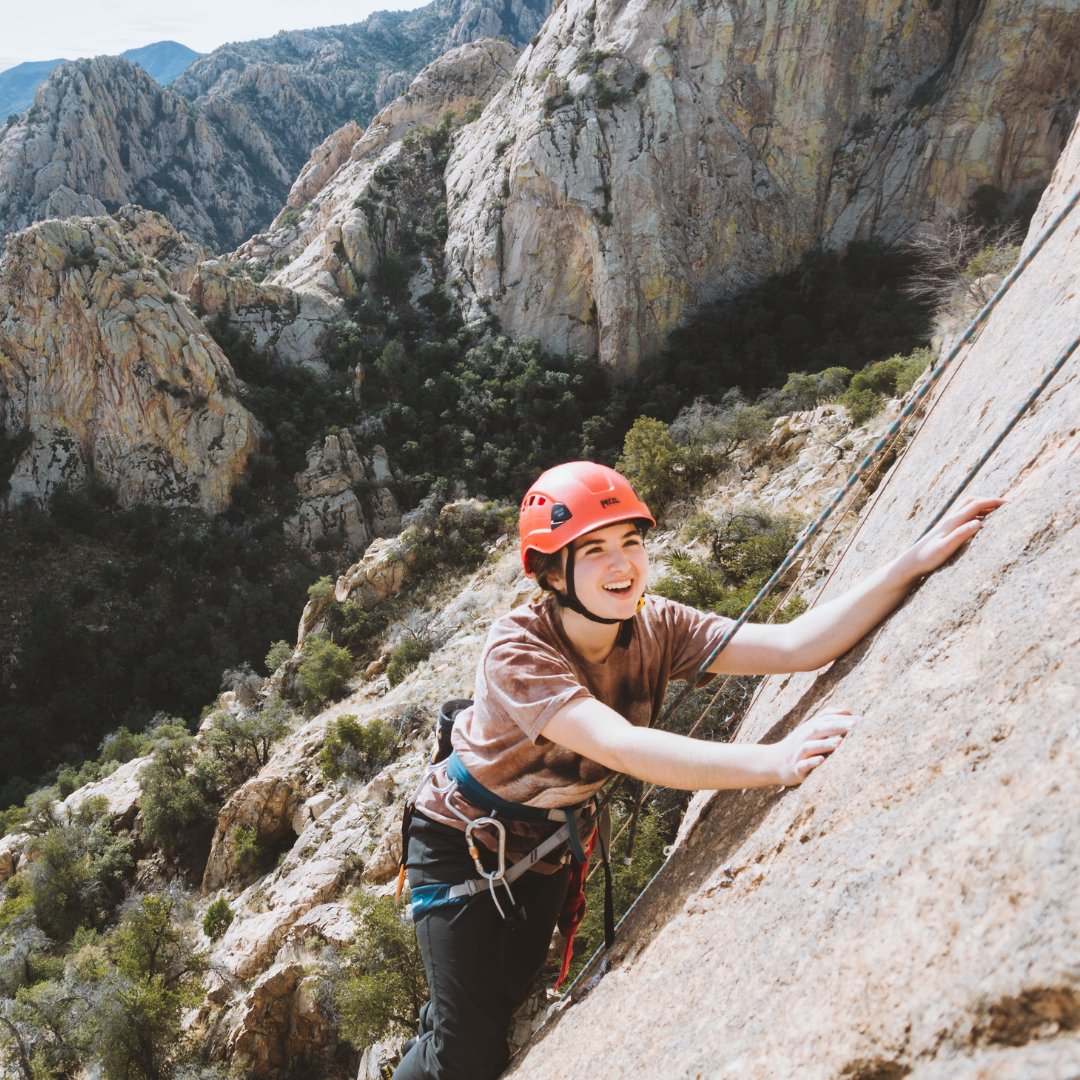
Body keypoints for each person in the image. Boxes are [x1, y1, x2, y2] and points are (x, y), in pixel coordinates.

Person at [393, 461, 1002, 1080]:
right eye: (596, 550)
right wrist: (774, 762)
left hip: (546, 842)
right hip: (459, 844)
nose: (622, 565)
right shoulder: (518, 650)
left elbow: (794, 646)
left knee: (496, 1005)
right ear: (552, 572)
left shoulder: (657, 625)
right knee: (467, 1055)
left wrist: (911, 563)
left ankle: (445, 1009)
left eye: (631, 542)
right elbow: (622, 746)